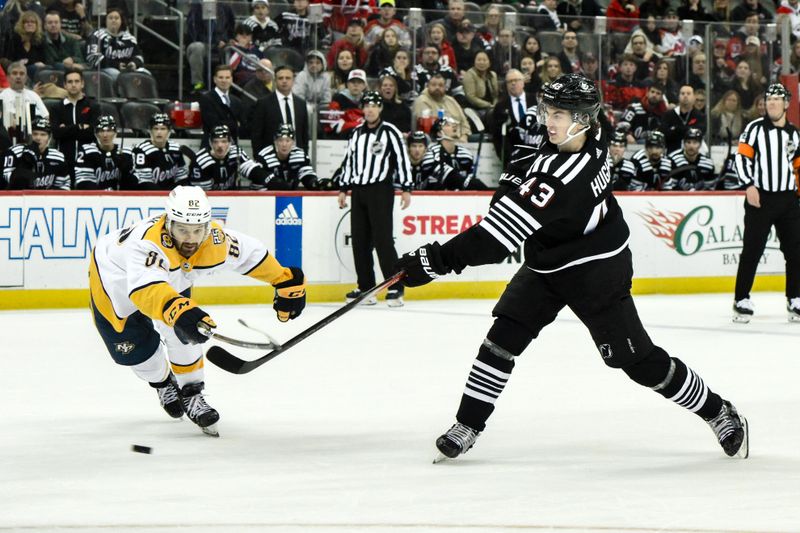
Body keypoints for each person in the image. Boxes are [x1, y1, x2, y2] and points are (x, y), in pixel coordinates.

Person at [394, 73, 749, 463]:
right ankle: (468, 424)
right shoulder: (589, 136)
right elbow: (522, 184)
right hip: (548, 264)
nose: (549, 120)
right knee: (500, 341)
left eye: (559, 113)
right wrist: (517, 176)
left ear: (582, 118)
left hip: (597, 271)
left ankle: (718, 411)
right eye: (548, 110)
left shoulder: (565, 176)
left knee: (638, 362)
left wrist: (433, 261)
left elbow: (496, 238)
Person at [88, 185, 307, 436]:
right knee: (136, 354)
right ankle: (162, 382)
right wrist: (178, 310)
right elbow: (145, 290)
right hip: (112, 279)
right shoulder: (147, 245)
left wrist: (283, 279)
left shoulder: (214, 238)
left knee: (185, 331)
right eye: (182, 229)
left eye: (197, 230)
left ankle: (192, 393)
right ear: (169, 224)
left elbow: (249, 254)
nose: (191, 239)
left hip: (164, 280)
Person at [732, 83, 800, 323]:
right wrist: (749, 185)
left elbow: (798, 167)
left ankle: (795, 298)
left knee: (796, 251)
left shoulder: (794, 133)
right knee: (752, 250)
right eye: (768, 99)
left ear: (786, 104)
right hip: (761, 197)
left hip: (788, 200)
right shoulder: (754, 129)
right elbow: (741, 157)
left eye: (776, 99)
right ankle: (741, 299)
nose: (770, 102)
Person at [337, 91, 412, 307]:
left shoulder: (390, 132)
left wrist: (406, 188)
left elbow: (401, 160)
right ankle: (366, 287)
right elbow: (348, 162)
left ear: (380, 108)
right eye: (366, 105)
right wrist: (343, 188)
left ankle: (396, 287)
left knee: (383, 240)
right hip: (358, 191)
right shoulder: (356, 133)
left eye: (374, 105)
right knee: (360, 241)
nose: (369, 109)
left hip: (381, 190)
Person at [50, 69, 100, 180]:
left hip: (88, 160)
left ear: (82, 83)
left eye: (77, 81)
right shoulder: (56, 108)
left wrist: (66, 129)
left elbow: (93, 133)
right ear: (64, 85)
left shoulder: (93, 106)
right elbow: (56, 133)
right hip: (64, 160)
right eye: (70, 82)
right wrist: (79, 127)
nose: (73, 85)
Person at [187, 125, 266, 190]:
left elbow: (256, 173)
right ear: (210, 143)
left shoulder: (237, 154)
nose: (220, 145)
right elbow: (202, 194)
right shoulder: (201, 160)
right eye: (216, 141)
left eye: (224, 141)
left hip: (232, 199)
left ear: (230, 143)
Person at [251, 65, 310, 154]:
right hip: (271, 157)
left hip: (297, 155)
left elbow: (304, 134)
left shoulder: (301, 104)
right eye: (280, 78)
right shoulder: (263, 103)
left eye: (288, 78)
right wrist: (259, 158)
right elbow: (257, 135)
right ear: (275, 80)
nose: (284, 81)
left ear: (293, 80)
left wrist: (304, 154)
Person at [253, 123, 329, 190]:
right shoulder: (264, 157)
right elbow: (256, 184)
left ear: (293, 142)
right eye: (280, 140)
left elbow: (307, 176)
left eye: (288, 140)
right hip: (266, 197)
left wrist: (315, 183)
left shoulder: (300, 156)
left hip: (290, 197)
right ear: (275, 142)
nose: (284, 144)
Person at [419, 114, 486, 190]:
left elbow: (469, 179)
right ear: (439, 133)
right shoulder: (432, 154)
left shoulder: (466, 154)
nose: (454, 126)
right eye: (447, 125)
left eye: (454, 124)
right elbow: (452, 178)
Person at [3, 116, 70, 190]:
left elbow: (63, 185)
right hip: (18, 198)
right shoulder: (15, 152)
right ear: (30, 135)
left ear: (49, 137)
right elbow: (6, 178)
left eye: (43, 134)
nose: (38, 138)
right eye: (35, 134)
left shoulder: (58, 157)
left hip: (47, 199)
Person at [125, 113, 187, 190]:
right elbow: (145, 182)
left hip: (170, 194)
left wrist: (173, 193)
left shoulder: (176, 149)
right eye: (156, 128)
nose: (159, 132)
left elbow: (182, 177)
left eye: (163, 129)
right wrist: (162, 196)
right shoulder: (141, 150)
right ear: (150, 131)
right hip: (149, 196)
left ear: (169, 131)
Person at [74, 115, 134, 190]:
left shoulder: (126, 152)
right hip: (95, 199)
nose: (105, 135)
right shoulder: (87, 151)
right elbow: (84, 183)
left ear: (115, 133)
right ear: (96, 134)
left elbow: (134, 184)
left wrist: (126, 172)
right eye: (101, 131)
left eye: (109, 130)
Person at [86, 8, 146, 82]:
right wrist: (116, 65)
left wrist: (134, 63)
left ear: (121, 21)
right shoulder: (97, 36)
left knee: (145, 74)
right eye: (110, 18)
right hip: (105, 69)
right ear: (105, 20)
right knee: (117, 74)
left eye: (116, 18)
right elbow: (92, 57)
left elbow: (139, 56)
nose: (113, 20)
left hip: (128, 69)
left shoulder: (129, 38)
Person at [411, 74, 471, 142]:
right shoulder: (422, 101)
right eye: (433, 85)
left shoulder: (451, 100)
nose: (437, 88)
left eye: (440, 85)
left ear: (445, 87)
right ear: (427, 86)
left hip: (460, 139)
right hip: (436, 140)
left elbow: (464, 122)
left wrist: (464, 136)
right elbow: (428, 127)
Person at [198, 65, 246, 149]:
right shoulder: (206, 98)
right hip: (211, 147)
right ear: (214, 79)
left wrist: (229, 123)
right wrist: (235, 124)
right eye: (221, 77)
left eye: (227, 77)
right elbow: (214, 124)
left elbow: (243, 125)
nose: (224, 80)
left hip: (232, 147)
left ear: (231, 80)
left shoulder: (237, 101)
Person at [0, 61, 49, 143]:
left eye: (21, 74)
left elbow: (46, 116)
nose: (18, 77)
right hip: (8, 137)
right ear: (8, 77)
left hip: (32, 136)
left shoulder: (33, 95)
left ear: (26, 78)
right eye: (14, 73)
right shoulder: (2, 96)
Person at [661, 84, 706, 153]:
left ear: (694, 97)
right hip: (672, 153)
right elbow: (665, 134)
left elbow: (699, 132)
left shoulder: (700, 116)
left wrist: (676, 129)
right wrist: (688, 129)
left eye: (688, 94)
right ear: (678, 96)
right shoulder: (668, 115)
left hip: (694, 154)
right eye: (682, 93)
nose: (685, 96)